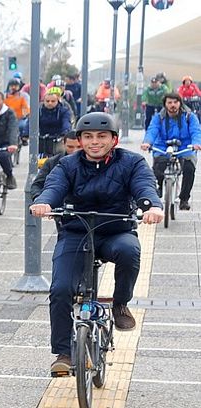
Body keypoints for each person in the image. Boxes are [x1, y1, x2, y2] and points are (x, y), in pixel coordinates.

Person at [30, 112, 164, 375]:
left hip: (115, 231)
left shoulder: (132, 162)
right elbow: (53, 187)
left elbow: (144, 186)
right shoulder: (67, 165)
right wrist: (45, 202)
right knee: (60, 289)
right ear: (79, 140)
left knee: (130, 251)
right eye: (88, 136)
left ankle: (120, 303)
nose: (94, 142)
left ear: (114, 139)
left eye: (102, 136)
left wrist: (151, 206)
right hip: (76, 233)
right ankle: (64, 353)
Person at [141, 93, 201, 210]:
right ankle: (158, 188)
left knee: (189, 168)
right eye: (169, 102)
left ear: (180, 103)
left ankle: (184, 199)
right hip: (163, 145)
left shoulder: (189, 116)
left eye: (175, 102)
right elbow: (152, 130)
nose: (173, 105)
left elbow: (196, 130)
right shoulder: (159, 117)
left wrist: (196, 143)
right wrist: (147, 142)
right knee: (158, 167)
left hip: (185, 146)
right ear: (165, 105)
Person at [29, 130, 81, 201]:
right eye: (70, 147)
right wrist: (39, 199)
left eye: (79, 147)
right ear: (64, 144)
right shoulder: (51, 162)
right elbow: (37, 185)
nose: (75, 151)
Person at [4, 79, 30, 143]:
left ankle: (23, 139)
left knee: (23, 126)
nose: (13, 87)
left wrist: (26, 114)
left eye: (15, 86)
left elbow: (26, 107)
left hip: (20, 118)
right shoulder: (5, 96)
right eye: (12, 85)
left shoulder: (22, 96)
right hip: (7, 119)